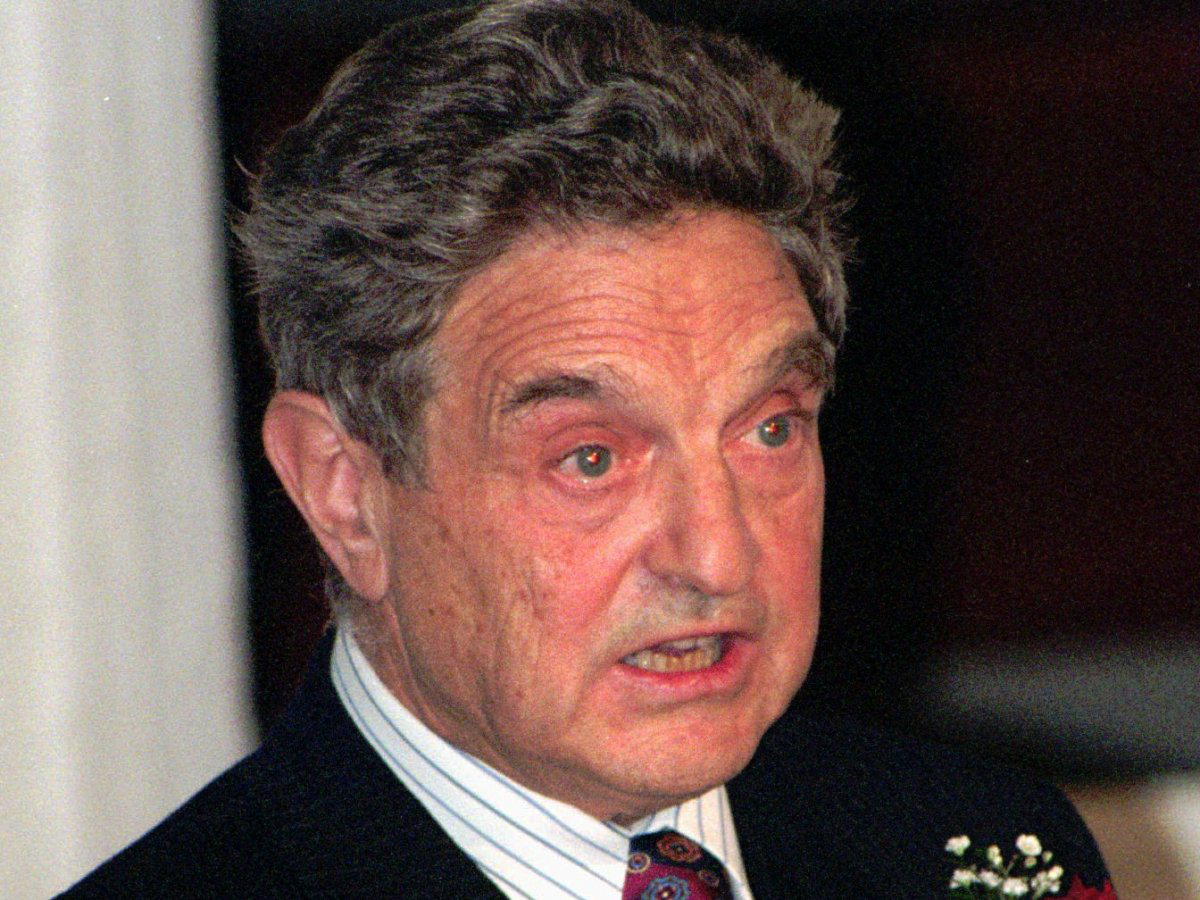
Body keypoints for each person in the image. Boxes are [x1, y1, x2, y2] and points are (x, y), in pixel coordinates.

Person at [63, 1, 1115, 896]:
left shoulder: (972, 844)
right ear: (345, 492)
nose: (717, 559)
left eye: (768, 429)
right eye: (593, 458)